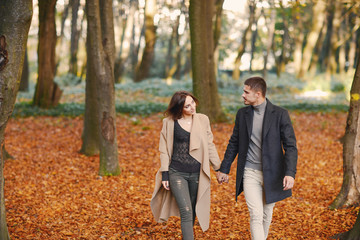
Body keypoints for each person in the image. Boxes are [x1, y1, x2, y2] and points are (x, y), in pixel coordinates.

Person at [216, 76, 298, 240]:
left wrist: (290, 173)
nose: (243, 95)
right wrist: (224, 168)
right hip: (249, 172)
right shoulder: (242, 114)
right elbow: (234, 142)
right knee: (256, 214)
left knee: (267, 214)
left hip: (273, 174)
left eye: (246, 92)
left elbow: (290, 146)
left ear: (258, 94)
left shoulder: (280, 114)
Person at [150, 90, 221, 240]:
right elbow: (164, 150)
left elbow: (209, 145)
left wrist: (218, 168)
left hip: (197, 173)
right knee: (186, 210)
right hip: (177, 172)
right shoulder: (169, 123)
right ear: (179, 108)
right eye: (187, 106)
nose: (192, 107)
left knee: (193, 210)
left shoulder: (203, 120)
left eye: (193, 103)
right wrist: (165, 173)